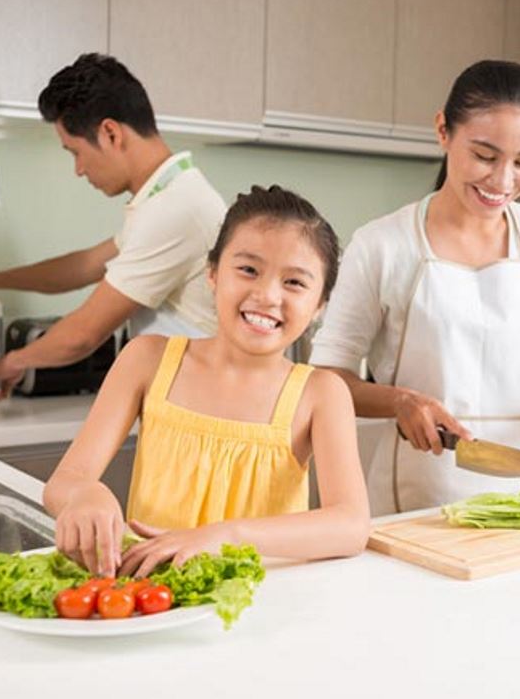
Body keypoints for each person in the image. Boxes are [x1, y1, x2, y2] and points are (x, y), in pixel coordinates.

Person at [310, 60, 520, 527]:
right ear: (443, 130)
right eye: (486, 156)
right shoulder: (382, 244)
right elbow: (325, 377)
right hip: (419, 500)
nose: (504, 181)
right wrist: (400, 402)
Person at [43, 185, 370, 577]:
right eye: (248, 270)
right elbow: (64, 482)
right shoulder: (147, 359)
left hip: (262, 605)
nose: (266, 295)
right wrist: (85, 494)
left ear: (319, 305)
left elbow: (350, 525)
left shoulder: (321, 393)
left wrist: (226, 536)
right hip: (151, 597)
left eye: (295, 283)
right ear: (212, 273)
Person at [0, 53, 226, 404]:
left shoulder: (175, 209)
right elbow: (85, 266)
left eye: (74, 152)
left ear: (110, 133)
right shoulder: (169, 194)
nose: (79, 170)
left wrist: (11, 362)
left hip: (202, 409)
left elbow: (84, 334)